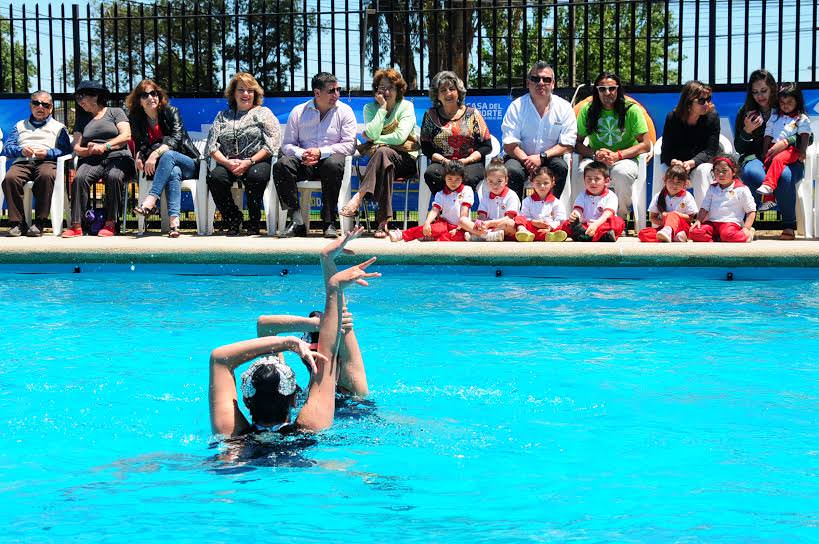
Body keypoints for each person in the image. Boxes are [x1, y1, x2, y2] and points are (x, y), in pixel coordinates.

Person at [209, 227, 379, 437]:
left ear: (245, 400)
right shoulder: (311, 421)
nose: (312, 351)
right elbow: (329, 338)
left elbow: (219, 358)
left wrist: (289, 342)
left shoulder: (233, 433)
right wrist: (320, 319)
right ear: (292, 400)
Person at [274, 72, 357, 239]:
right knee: (281, 165)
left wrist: (320, 152)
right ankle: (297, 220)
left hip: (330, 161)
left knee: (333, 164)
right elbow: (287, 144)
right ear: (317, 93)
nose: (337, 95)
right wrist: (302, 153)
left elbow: (350, 145)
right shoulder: (298, 111)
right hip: (304, 162)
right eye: (332, 91)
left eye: (338, 90)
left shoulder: (345, 111)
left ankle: (329, 222)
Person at [340, 68, 418, 238]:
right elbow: (373, 133)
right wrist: (382, 109)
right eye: (382, 88)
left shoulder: (406, 106)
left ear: (399, 90)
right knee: (385, 162)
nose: (386, 92)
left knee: (382, 152)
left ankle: (358, 197)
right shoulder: (370, 108)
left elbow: (399, 138)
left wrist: (377, 140)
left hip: (405, 160)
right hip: (384, 162)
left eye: (391, 87)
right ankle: (383, 223)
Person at [205, 72, 281, 236]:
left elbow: (272, 144)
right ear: (233, 93)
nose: (246, 94)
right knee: (215, 178)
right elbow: (211, 147)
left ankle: (254, 222)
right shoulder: (222, 116)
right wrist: (226, 163)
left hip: (256, 162)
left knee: (255, 176)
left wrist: (249, 161)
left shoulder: (264, 113)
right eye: (241, 90)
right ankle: (233, 218)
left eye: (250, 90)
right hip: (228, 163)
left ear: (255, 94)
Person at [126, 79, 201, 238]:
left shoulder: (171, 112)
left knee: (168, 155)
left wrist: (154, 154)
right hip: (164, 168)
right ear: (139, 100)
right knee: (173, 172)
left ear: (159, 96)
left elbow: (176, 139)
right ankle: (174, 224)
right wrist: (138, 155)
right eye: (145, 95)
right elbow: (140, 143)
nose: (150, 98)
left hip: (187, 162)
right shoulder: (136, 119)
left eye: (153, 93)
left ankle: (151, 200)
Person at [63, 80, 135, 238]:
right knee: (80, 177)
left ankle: (110, 223)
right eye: (77, 97)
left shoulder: (115, 112)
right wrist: (88, 151)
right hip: (92, 159)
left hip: (118, 156)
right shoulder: (82, 119)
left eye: (82, 96)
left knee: (113, 176)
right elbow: (76, 146)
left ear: (96, 96)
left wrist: (105, 146)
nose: (79, 100)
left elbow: (126, 135)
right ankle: (76, 225)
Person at [734, 70, 801, 240]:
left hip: (785, 158)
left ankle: (788, 224)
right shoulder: (746, 111)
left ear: (772, 88)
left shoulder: (784, 106)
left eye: (763, 90)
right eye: (755, 92)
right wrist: (747, 131)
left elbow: (808, 135)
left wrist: (786, 142)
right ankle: (749, 224)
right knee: (752, 173)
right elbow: (739, 147)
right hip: (755, 158)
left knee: (784, 176)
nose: (760, 96)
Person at [575, 72, 650, 222]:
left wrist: (618, 155)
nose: (607, 93)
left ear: (618, 89)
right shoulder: (587, 111)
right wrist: (595, 154)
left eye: (612, 89)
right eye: (602, 89)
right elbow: (576, 144)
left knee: (621, 173)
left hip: (626, 159)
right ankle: (583, 219)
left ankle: (619, 219)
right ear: (596, 91)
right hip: (597, 158)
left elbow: (646, 145)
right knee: (582, 171)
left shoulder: (631, 110)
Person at [500, 60, 576, 200]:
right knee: (512, 170)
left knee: (560, 167)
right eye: (535, 79)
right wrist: (528, 161)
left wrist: (541, 157)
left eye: (546, 79)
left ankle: (550, 212)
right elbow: (510, 144)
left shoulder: (564, 107)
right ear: (528, 83)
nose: (540, 83)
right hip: (519, 158)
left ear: (553, 84)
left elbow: (567, 144)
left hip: (549, 158)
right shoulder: (516, 107)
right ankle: (515, 215)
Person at [1, 90, 72, 237]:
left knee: (46, 176)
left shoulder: (59, 128)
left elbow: (65, 151)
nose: (40, 107)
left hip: (47, 162)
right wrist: (21, 150)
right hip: (23, 162)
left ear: (51, 108)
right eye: (36, 103)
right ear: (30, 105)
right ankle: (18, 223)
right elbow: (7, 148)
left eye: (45, 105)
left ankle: (39, 222)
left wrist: (48, 153)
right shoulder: (20, 126)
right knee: (10, 178)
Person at [420, 70, 492, 195]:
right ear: (437, 95)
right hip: (443, 163)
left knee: (466, 178)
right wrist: (444, 161)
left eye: (452, 89)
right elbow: (426, 147)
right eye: (443, 90)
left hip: (470, 163)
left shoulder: (472, 114)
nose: (448, 93)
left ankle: (462, 212)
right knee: (432, 174)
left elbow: (486, 146)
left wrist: (466, 160)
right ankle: (443, 211)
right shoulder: (430, 115)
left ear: (458, 92)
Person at [388, 161, 488, 242]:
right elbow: (435, 210)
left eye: (457, 179)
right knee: (427, 228)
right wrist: (427, 222)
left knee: (447, 238)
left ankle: (433, 237)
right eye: (450, 179)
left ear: (462, 179)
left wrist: (458, 228)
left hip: (461, 227)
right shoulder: (440, 194)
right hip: (444, 224)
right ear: (444, 178)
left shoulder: (467, 190)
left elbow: (464, 214)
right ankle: (402, 235)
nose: (453, 182)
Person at [659, 80, 720, 206]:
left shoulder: (712, 117)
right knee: (664, 169)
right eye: (701, 101)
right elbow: (666, 150)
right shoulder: (672, 118)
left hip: (700, 164)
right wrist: (674, 162)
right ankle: (662, 216)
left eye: (708, 99)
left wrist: (691, 163)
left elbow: (711, 150)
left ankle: (702, 220)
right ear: (688, 103)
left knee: (702, 171)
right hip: (677, 163)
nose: (707, 104)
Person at [755, 83, 811, 211]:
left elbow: (805, 135)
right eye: (782, 102)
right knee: (767, 163)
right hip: (773, 148)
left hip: (792, 150)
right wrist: (765, 152)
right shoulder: (774, 117)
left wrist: (802, 151)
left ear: (798, 101)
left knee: (778, 160)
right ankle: (770, 199)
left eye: (789, 102)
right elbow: (768, 134)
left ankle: (768, 185)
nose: (785, 105)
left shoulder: (801, 118)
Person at [689, 153, 756, 243]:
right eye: (717, 171)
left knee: (727, 234)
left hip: (730, 224)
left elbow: (751, 211)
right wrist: (699, 220)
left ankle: (747, 235)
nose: (720, 174)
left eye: (724, 171)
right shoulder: (712, 188)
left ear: (734, 171)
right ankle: (718, 238)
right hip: (712, 223)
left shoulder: (742, 189)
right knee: (694, 233)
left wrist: (746, 228)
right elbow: (704, 207)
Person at [558, 161, 625, 242]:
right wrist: (575, 215)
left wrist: (596, 225)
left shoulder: (611, 196)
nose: (592, 182)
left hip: (601, 225)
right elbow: (578, 210)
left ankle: (586, 235)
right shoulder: (582, 195)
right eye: (589, 179)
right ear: (584, 180)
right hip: (585, 225)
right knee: (567, 223)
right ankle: (595, 236)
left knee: (618, 222)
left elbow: (606, 215)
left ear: (606, 181)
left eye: (597, 179)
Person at [463, 158, 520, 241]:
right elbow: (482, 216)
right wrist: (480, 224)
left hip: (503, 226)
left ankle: (482, 236)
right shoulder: (485, 196)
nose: (495, 185)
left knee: (510, 224)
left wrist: (490, 223)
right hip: (488, 226)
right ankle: (488, 235)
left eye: (499, 181)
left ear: (506, 180)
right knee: (464, 221)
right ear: (486, 181)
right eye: (491, 181)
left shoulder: (511, 195)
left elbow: (509, 217)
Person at [637, 165, 698, 243]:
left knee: (672, 215)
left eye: (678, 182)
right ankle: (674, 236)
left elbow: (690, 218)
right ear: (664, 181)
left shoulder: (687, 196)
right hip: (664, 227)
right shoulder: (658, 196)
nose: (674, 185)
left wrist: (675, 215)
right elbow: (652, 218)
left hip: (682, 227)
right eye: (671, 181)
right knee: (643, 234)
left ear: (685, 184)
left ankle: (671, 234)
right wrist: (667, 222)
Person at [513, 166, 568, 242]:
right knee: (518, 218)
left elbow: (560, 219)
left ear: (552, 183)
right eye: (538, 183)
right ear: (532, 183)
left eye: (546, 183)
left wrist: (550, 227)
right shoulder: (527, 201)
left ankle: (550, 236)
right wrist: (533, 222)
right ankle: (525, 233)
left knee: (566, 224)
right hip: (532, 228)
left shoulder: (556, 202)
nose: (542, 186)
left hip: (549, 229)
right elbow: (524, 217)